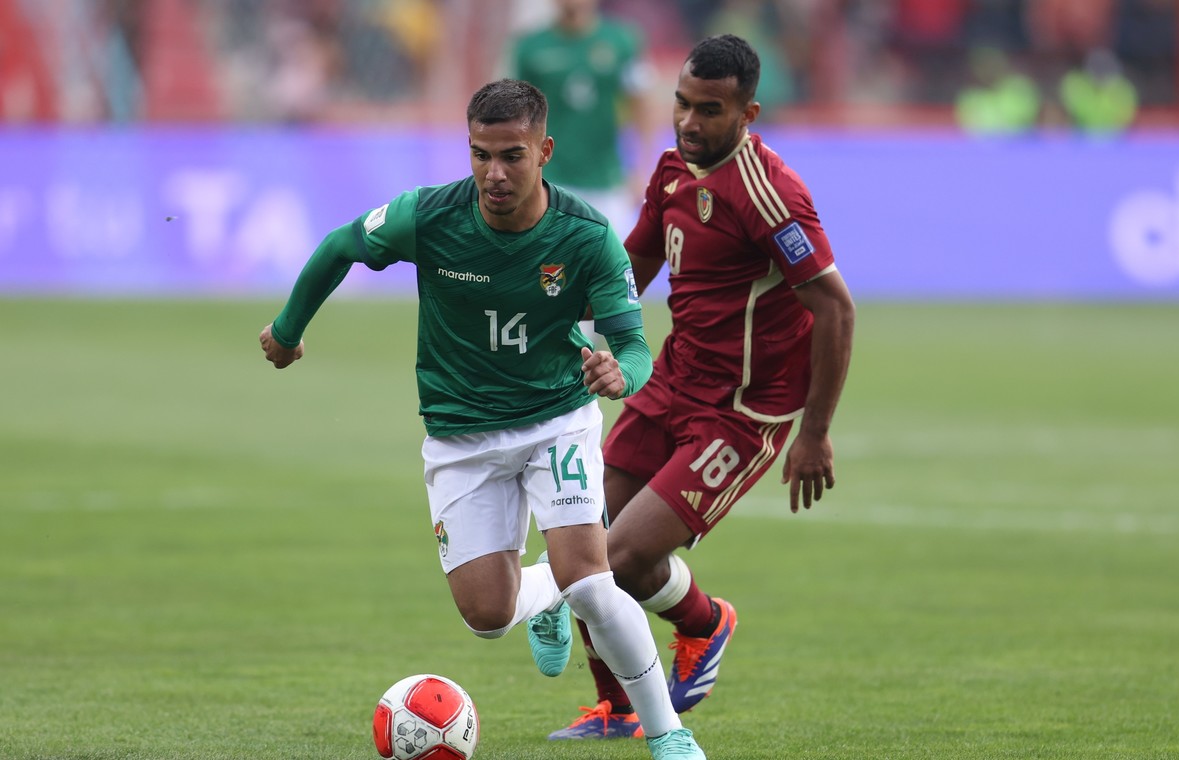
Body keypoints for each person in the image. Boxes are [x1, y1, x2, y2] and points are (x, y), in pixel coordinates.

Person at [258, 78, 705, 760]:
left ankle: (669, 734)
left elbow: (637, 347)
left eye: (511, 156)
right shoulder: (429, 216)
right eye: (480, 155)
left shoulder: (587, 237)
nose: (494, 173)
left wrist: (623, 374)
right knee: (489, 616)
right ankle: (547, 593)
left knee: (592, 582)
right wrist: (288, 331)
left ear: (543, 152)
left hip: (556, 419)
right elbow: (342, 245)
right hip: (460, 435)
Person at [548, 35, 856, 740]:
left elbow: (834, 308)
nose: (688, 122)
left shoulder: (770, 194)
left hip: (741, 412)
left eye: (709, 110)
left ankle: (703, 622)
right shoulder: (670, 170)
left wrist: (813, 432)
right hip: (671, 382)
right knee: (578, 542)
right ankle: (617, 706)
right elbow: (635, 262)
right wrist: (567, 328)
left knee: (622, 559)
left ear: (748, 113)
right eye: (682, 104)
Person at [508, 0, 656, 239]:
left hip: (607, 182)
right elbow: (515, 116)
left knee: (618, 259)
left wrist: (643, 169)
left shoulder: (622, 41)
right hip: (550, 182)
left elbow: (642, 105)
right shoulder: (530, 48)